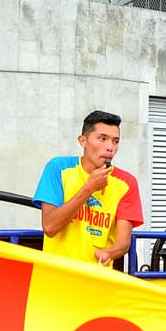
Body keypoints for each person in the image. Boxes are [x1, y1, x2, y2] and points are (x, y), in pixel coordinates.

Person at [33, 110, 144, 267]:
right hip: (57, 274)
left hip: (98, 278)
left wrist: (109, 253)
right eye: (102, 139)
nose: (110, 147)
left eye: (115, 141)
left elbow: (123, 241)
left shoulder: (127, 182)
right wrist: (89, 188)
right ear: (83, 141)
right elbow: (50, 226)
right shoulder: (58, 168)